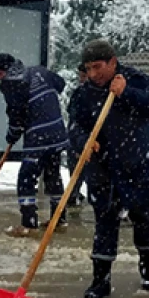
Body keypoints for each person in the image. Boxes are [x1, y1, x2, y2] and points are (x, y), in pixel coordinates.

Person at [68, 39, 149, 298]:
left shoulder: (136, 80)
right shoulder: (84, 94)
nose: (93, 74)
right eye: (88, 68)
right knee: (105, 224)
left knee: (144, 221)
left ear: (112, 62)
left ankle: (148, 269)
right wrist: (83, 141)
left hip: (138, 168)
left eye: (98, 67)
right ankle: (100, 281)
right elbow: (75, 126)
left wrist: (126, 94)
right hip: (104, 170)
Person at [0, 53, 70, 236]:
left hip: (38, 138)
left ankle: (29, 224)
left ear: (8, 69)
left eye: (0, 73)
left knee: (26, 179)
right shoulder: (39, 71)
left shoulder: (11, 83)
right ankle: (59, 220)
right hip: (57, 132)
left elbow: (16, 116)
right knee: (53, 175)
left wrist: (12, 136)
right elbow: (61, 84)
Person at [66, 63, 90, 208]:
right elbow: (73, 116)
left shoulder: (94, 94)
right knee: (75, 171)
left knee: (85, 171)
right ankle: (73, 193)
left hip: (87, 140)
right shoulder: (78, 93)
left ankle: (74, 193)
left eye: (84, 76)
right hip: (76, 137)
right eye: (80, 76)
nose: (82, 79)